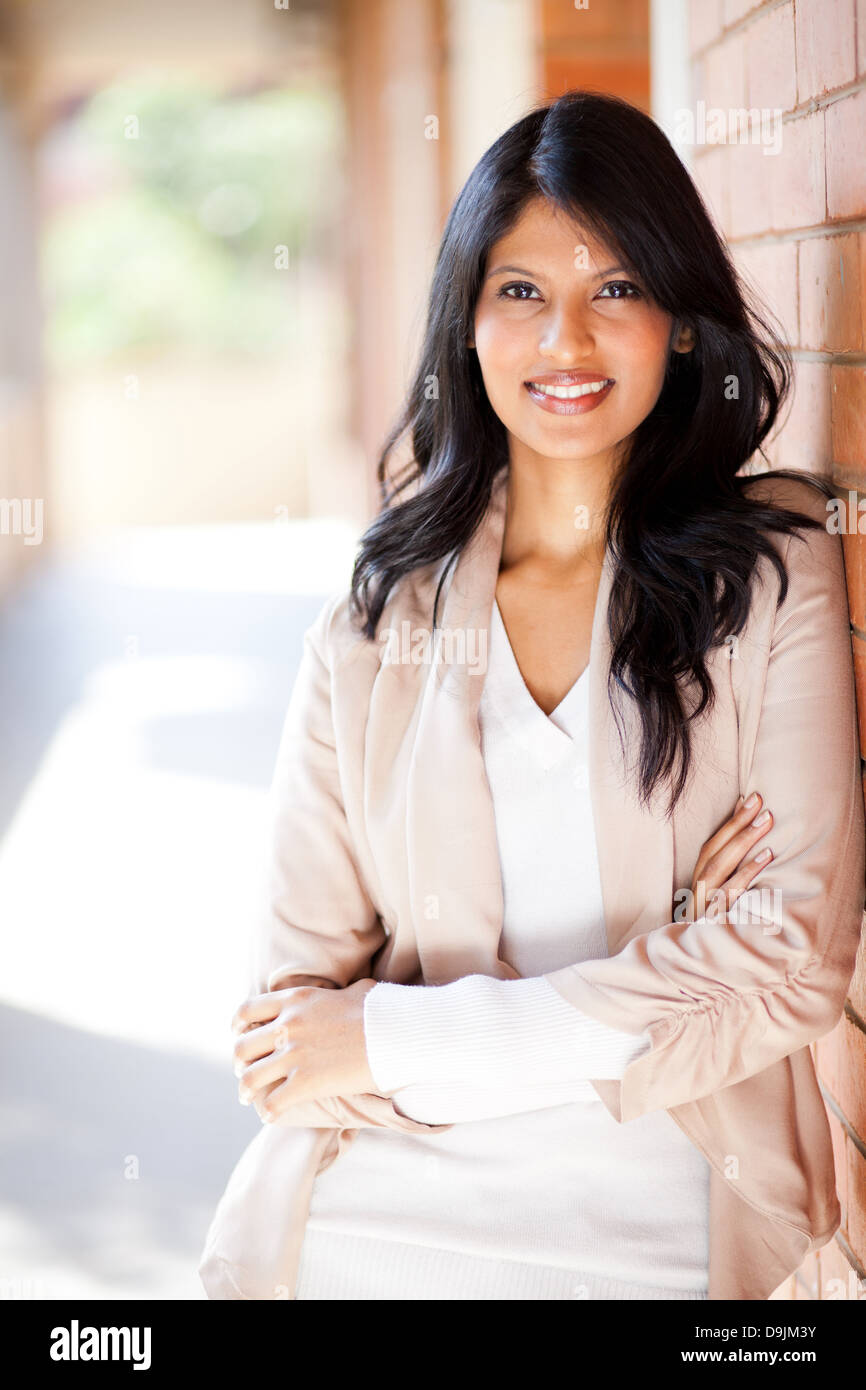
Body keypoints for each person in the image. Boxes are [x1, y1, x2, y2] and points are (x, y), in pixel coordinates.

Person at [212, 91, 865, 1302]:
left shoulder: (770, 572)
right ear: (466, 323)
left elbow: (788, 967)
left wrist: (400, 1034)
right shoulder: (370, 629)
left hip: (671, 1242)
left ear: (678, 322)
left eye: (614, 288)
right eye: (520, 291)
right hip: (370, 1233)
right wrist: (670, 953)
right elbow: (283, 1044)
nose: (565, 339)